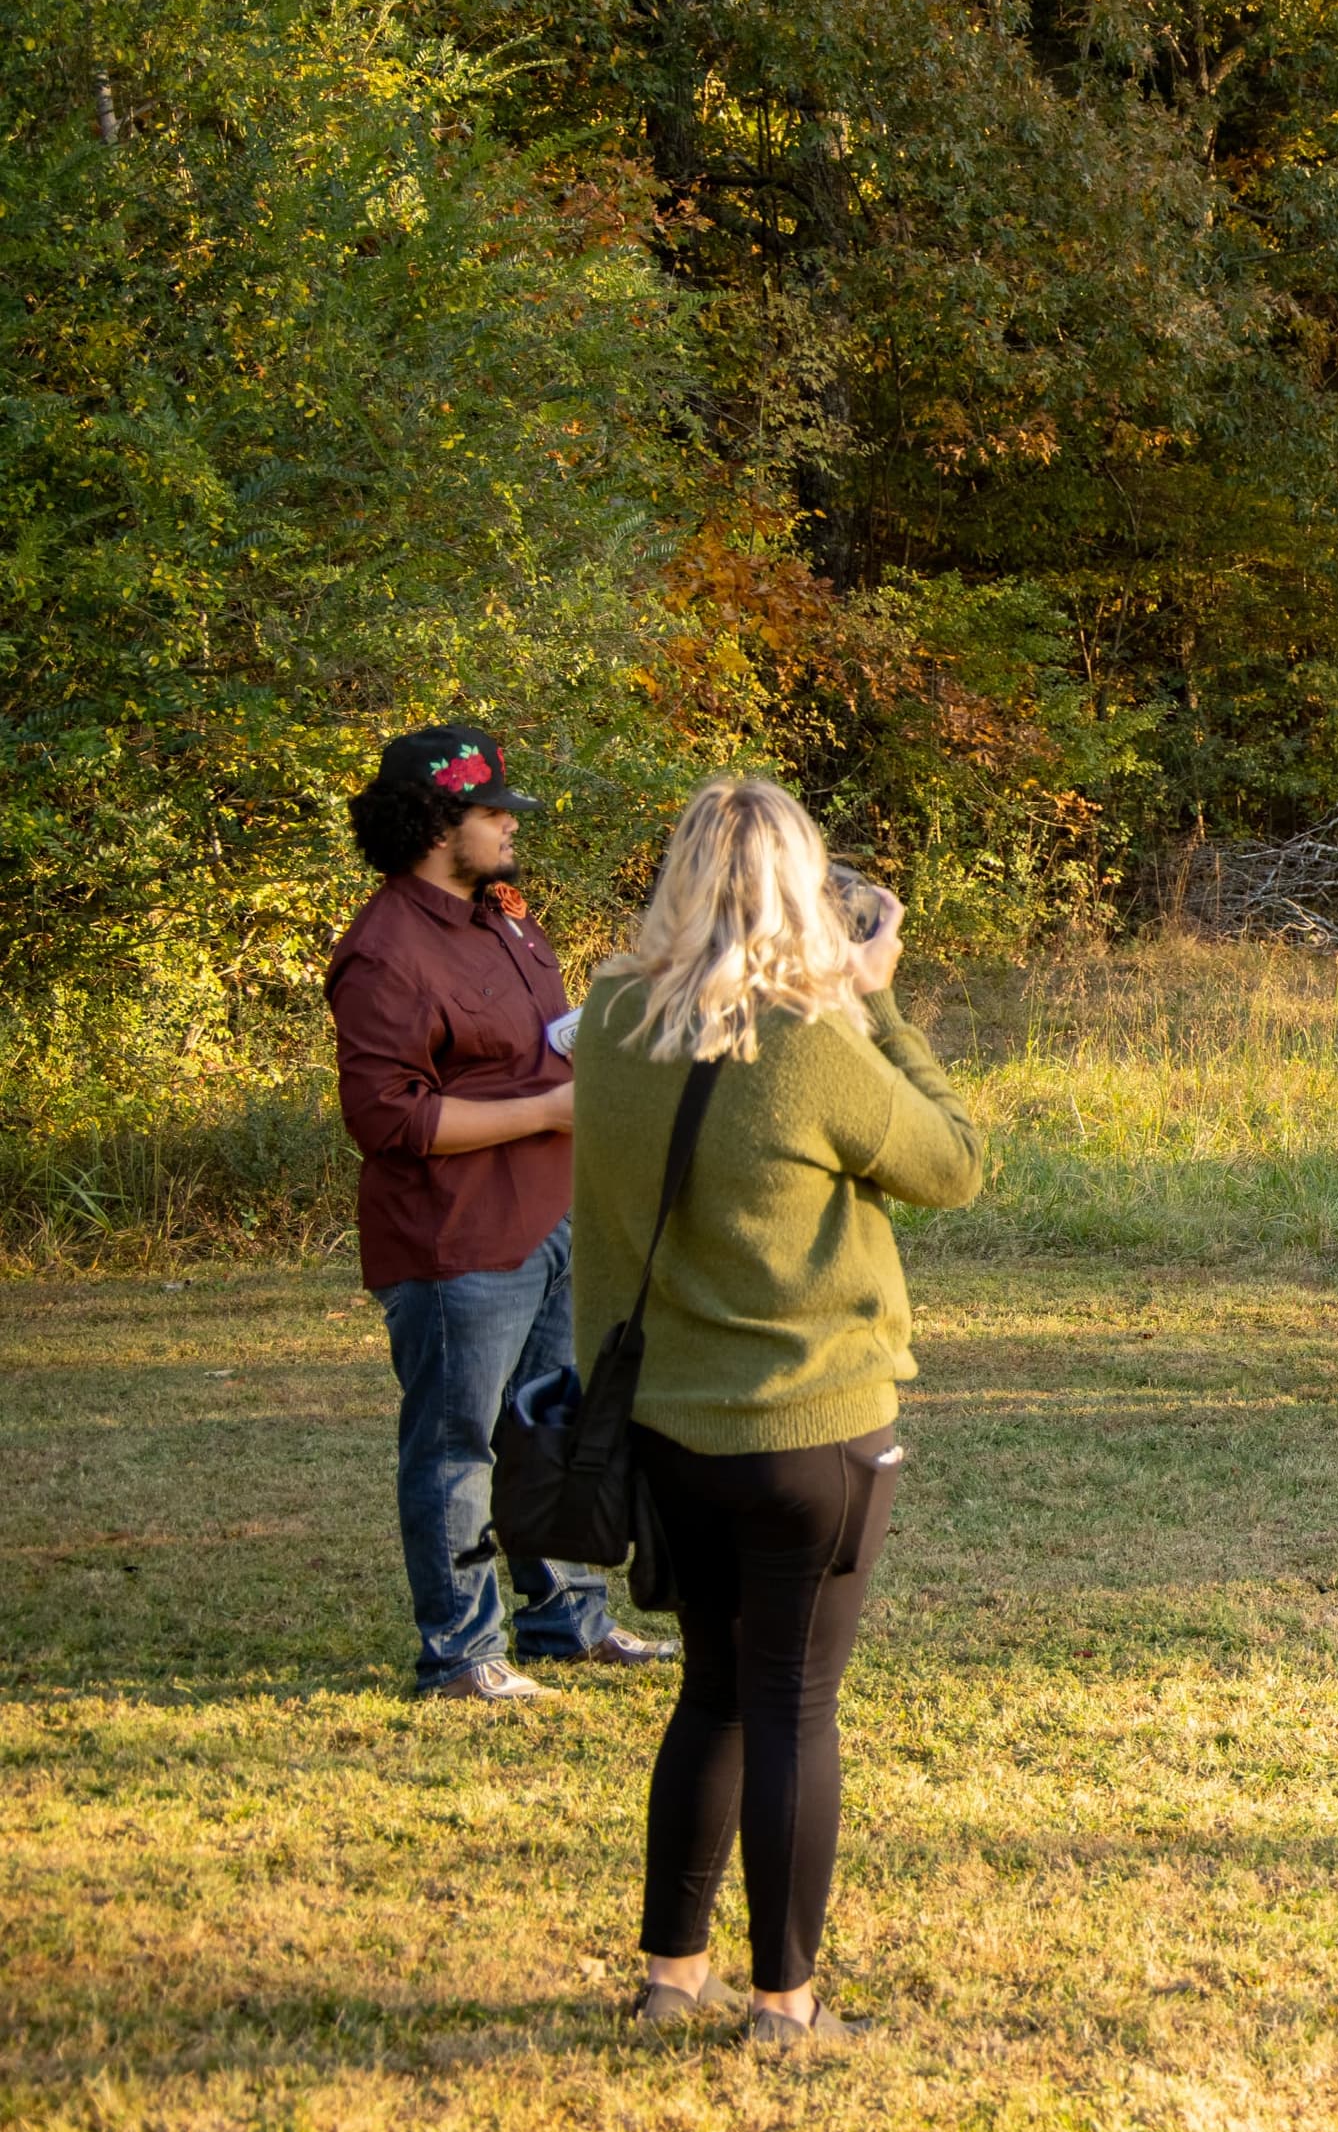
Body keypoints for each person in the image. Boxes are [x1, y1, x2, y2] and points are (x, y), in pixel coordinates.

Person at [577, 776, 985, 2048]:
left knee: (711, 1690)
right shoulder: (814, 1039)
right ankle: (785, 1999)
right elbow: (954, 1163)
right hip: (811, 1429)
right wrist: (880, 996)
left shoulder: (607, 1015)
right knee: (796, 1704)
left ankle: (669, 1973)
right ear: (807, 891)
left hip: (663, 1425)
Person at [325, 723, 671, 1702]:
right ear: (439, 822)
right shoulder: (383, 952)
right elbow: (386, 1117)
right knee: (456, 1443)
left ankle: (569, 1621)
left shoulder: (507, 909)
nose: (510, 829)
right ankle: (464, 1655)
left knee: (551, 1425)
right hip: (458, 1237)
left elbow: (535, 1039)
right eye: (492, 814)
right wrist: (550, 1108)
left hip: (553, 1214)